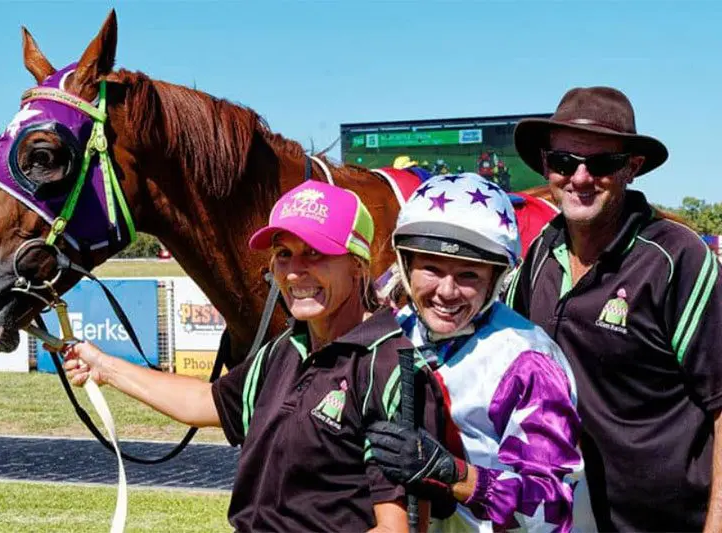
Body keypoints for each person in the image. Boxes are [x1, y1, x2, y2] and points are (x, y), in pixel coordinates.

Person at [65, 180, 442, 532]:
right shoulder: (285, 348)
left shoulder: (392, 367)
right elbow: (205, 402)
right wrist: (104, 366)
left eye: (315, 252)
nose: (295, 272)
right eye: (283, 254)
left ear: (358, 264)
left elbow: (397, 528)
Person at [505, 86, 722, 531]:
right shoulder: (541, 252)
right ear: (547, 165)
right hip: (566, 520)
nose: (580, 178)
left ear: (632, 169)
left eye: (601, 163)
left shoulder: (675, 258)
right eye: (564, 162)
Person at [364, 173, 592, 531]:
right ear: (406, 265)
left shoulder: (528, 361)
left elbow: (550, 504)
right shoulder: (394, 331)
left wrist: (456, 475)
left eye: (469, 274)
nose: (447, 292)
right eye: (432, 269)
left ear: (496, 278)